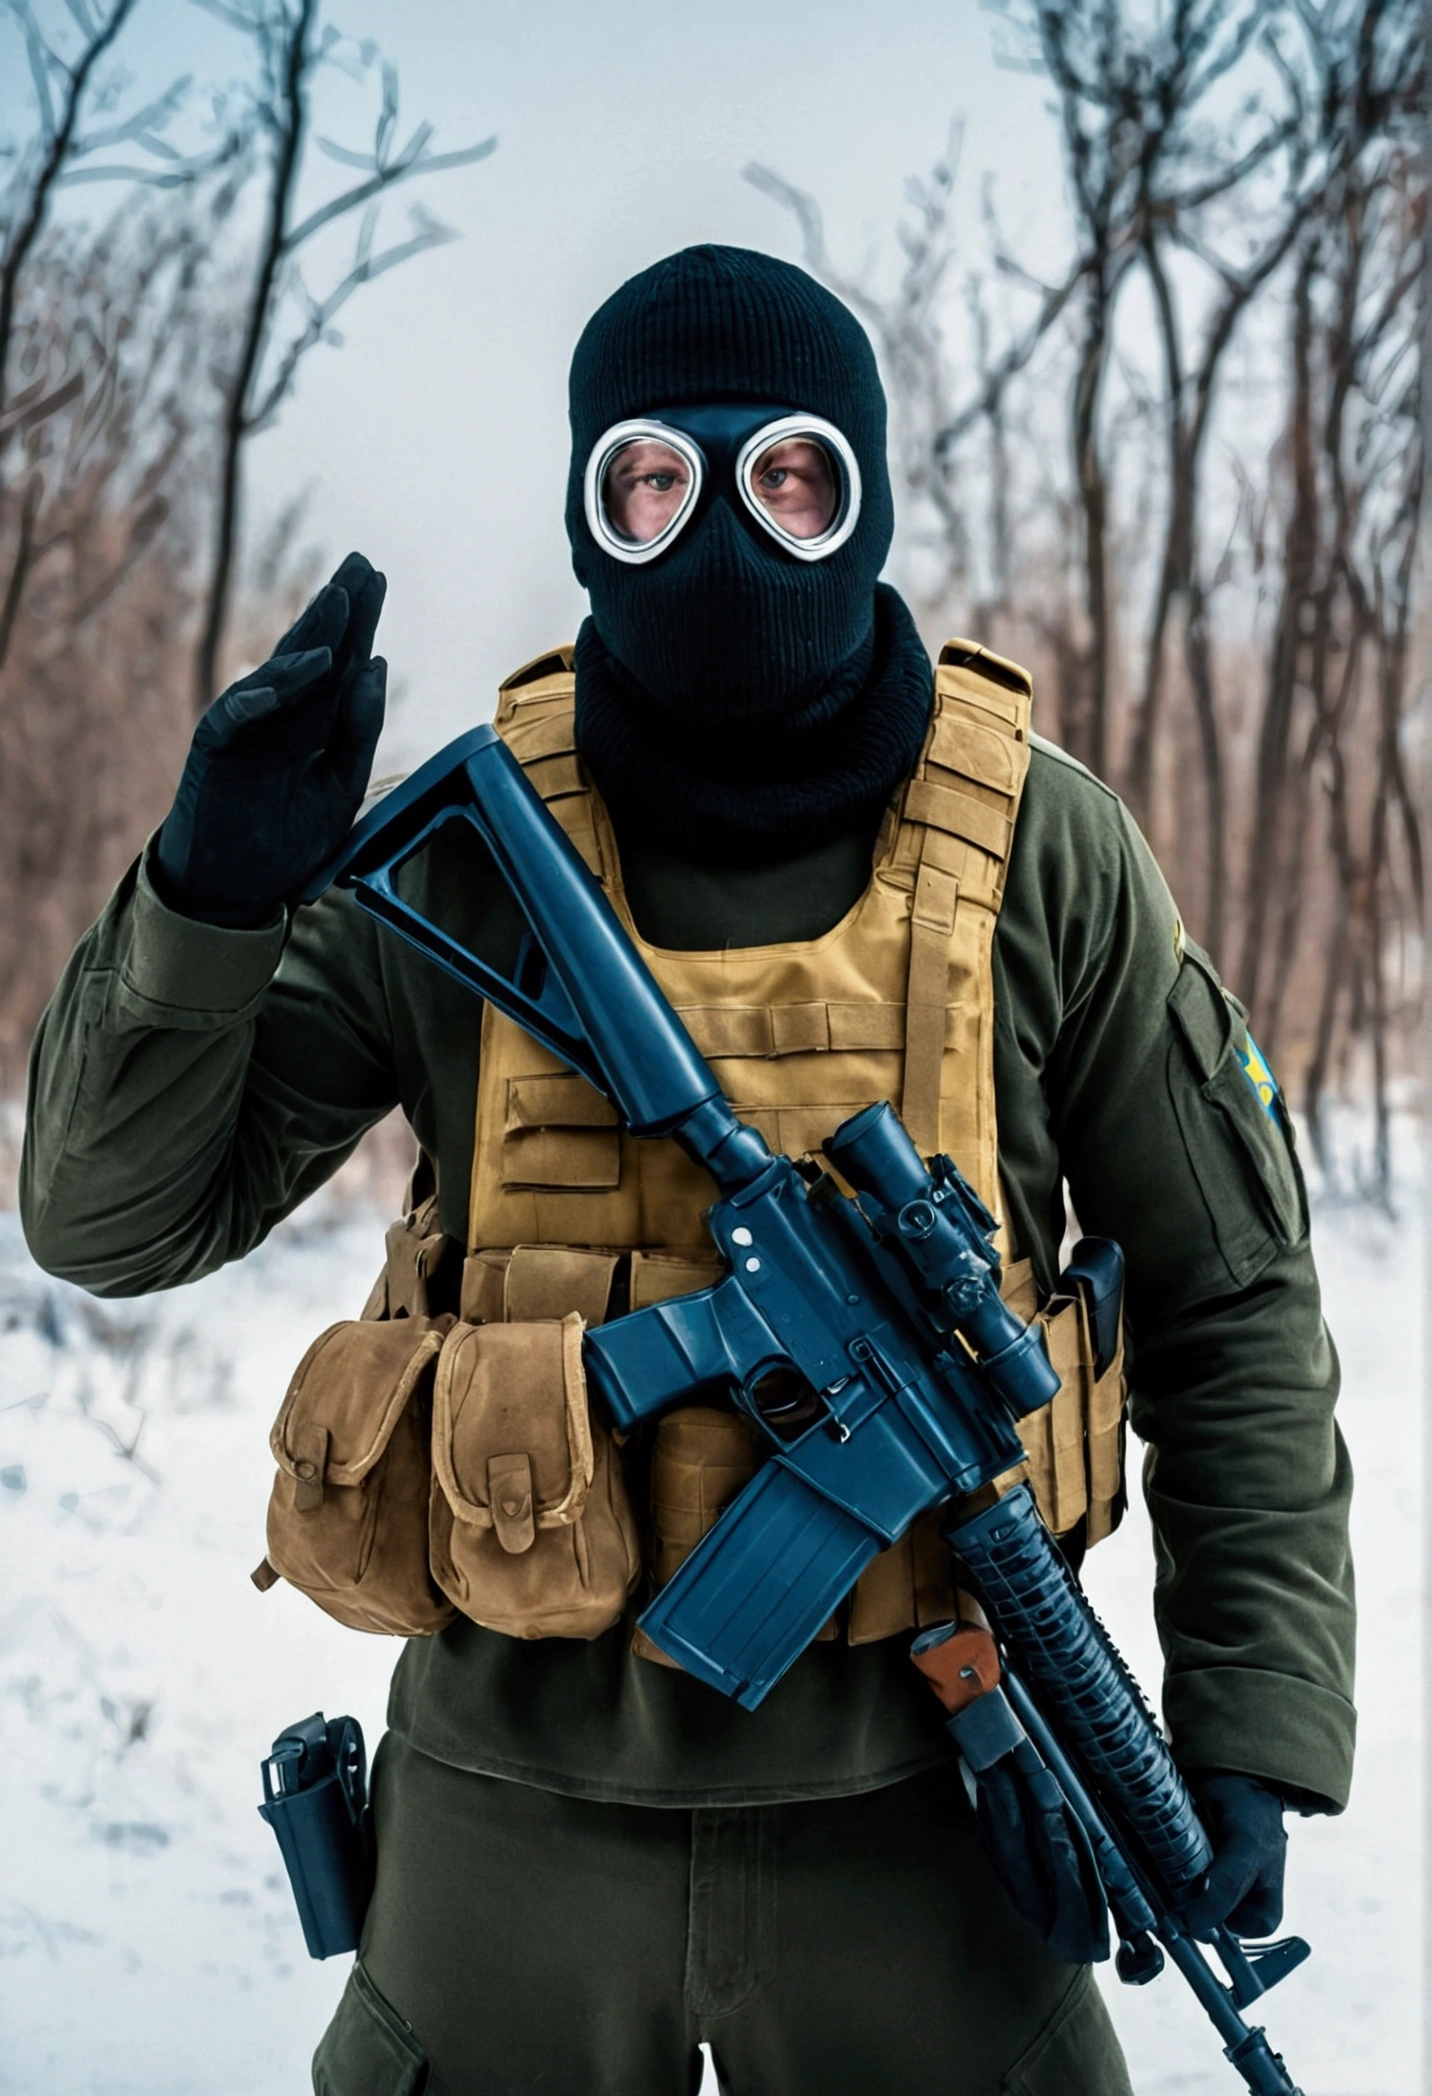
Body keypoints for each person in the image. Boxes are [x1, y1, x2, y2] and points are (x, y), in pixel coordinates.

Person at [21, 245, 1354, 2096]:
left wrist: (1249, 1718)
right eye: (656, 477)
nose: (728, 521)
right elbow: (106, 1219)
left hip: (938, 1811)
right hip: (507, 1836)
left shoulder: (1045, 849)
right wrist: (205, 899)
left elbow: (1234, 1299)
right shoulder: (474, 861)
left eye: (790, 473)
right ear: (593, 513)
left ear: (864, 495)